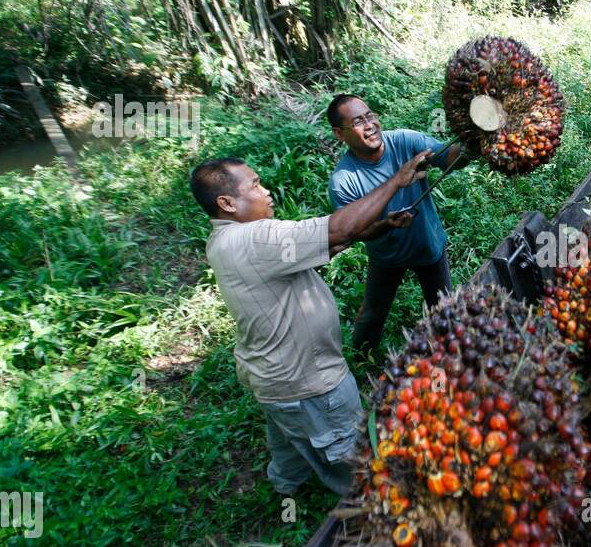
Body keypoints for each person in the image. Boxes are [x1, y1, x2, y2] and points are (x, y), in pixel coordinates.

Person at [190, 150, 432, 495]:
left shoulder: (224, 240)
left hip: (273, 380)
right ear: (227, 203)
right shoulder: (256, 238)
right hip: (310, 385)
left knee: (289, 434)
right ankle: (370, 499)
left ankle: (286, 484)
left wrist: (379, 226)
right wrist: (397, 180)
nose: (267, 191)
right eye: (256, 186)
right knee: (359, 458)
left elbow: (336, 241)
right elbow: (339, 228)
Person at [326, 94, 470, 363]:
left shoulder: (405, 141)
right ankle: (360, 361)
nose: (370, 125)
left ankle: (453, 358)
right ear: (339, 134)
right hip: (386, 256)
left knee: (444, 308)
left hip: (428, 246)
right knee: (372, 314)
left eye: (370, 116)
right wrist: (384, 225)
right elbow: (354, 233)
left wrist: (469, 147)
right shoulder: (344, 181)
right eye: (358, 121)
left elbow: (447, 157)